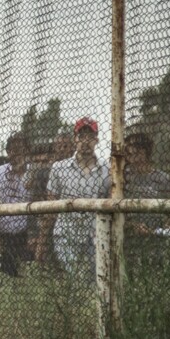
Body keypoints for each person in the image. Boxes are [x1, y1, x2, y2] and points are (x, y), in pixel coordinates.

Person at [47, 117, 111, 274]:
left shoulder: (106, 169)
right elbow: (51, 201)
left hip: (95, 234)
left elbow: (110, 198)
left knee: (95, 280)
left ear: (96, 140)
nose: (85, 141)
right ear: (75, 139)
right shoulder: (59, 168)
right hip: (66, 234)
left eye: (90, 137)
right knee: (73, 278)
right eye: (81, 136)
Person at [0, 132, 33, 276]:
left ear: (27, 150)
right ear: (7, 152)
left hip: (26, 234)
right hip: (3, 235)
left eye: (20, 148)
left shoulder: (33, 173)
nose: (15, 153)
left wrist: (34, 235)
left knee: (28, 276)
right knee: (5, 275)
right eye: (11, 149)